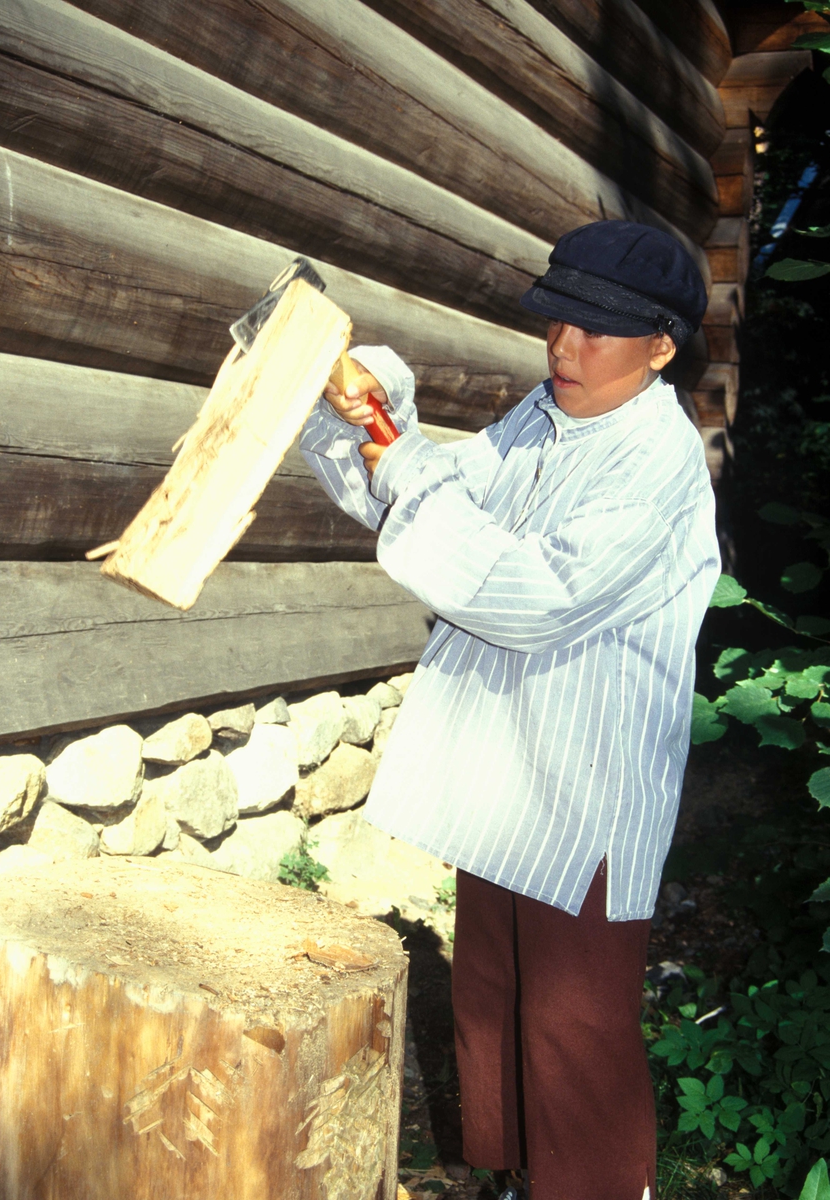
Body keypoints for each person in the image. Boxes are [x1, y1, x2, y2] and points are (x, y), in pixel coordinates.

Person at [300, 220, 721, 1200]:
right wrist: (372, 421)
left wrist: (404, 471)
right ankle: (516, 1180)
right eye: (557, 322)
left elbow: (525, 595)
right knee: (493, 993)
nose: (566, 348)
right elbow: (451, 495)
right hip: (511, 770)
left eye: (597, 330)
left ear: (662, 345)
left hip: (587, 795)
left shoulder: (656, 468)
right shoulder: (547, 413)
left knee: (574, 1030)